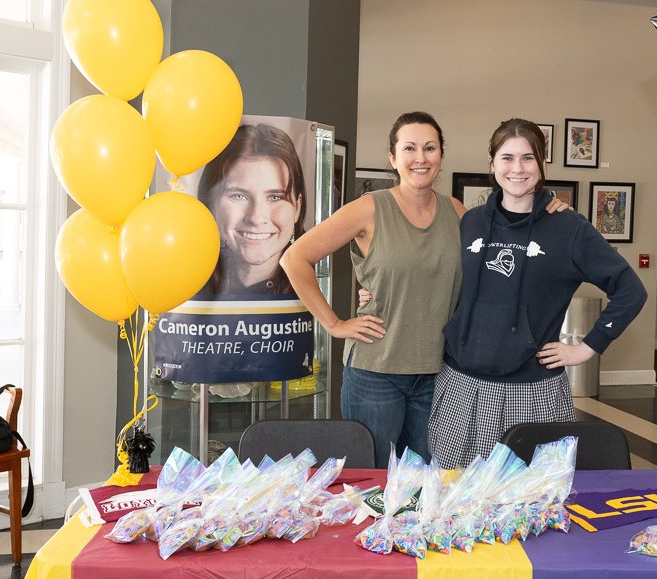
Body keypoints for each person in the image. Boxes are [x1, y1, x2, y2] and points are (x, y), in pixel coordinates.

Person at [282, 112, 566, 468]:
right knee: (374, 478)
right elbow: (294, 259)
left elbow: (507, 255)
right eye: (410, 148)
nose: (421, 157)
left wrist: (550, 209)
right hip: (376, 371)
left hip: (437, 373)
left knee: (427, 482)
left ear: (441, 157)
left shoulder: (459, 214)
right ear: (393, 158)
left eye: (430, 148)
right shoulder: (368, 209)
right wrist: (334, 323)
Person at [428, 118, 648, 469]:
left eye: (528, 158)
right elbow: (437, 278)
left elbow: (630, 291)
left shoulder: (569, 228)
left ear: (542, 165)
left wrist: (587, 348)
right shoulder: (470, 222)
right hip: (461, 388)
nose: (517, 168)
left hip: (532, 392)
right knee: (457, 499)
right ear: (492, 164)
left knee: (536, 502)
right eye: (507, 158)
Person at [197, 123, 308, 296]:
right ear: (212, 203)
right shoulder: (182, 283)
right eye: (239, 196)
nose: (256, 217)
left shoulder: (317, 286)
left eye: (275, 197)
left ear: (297, 208)